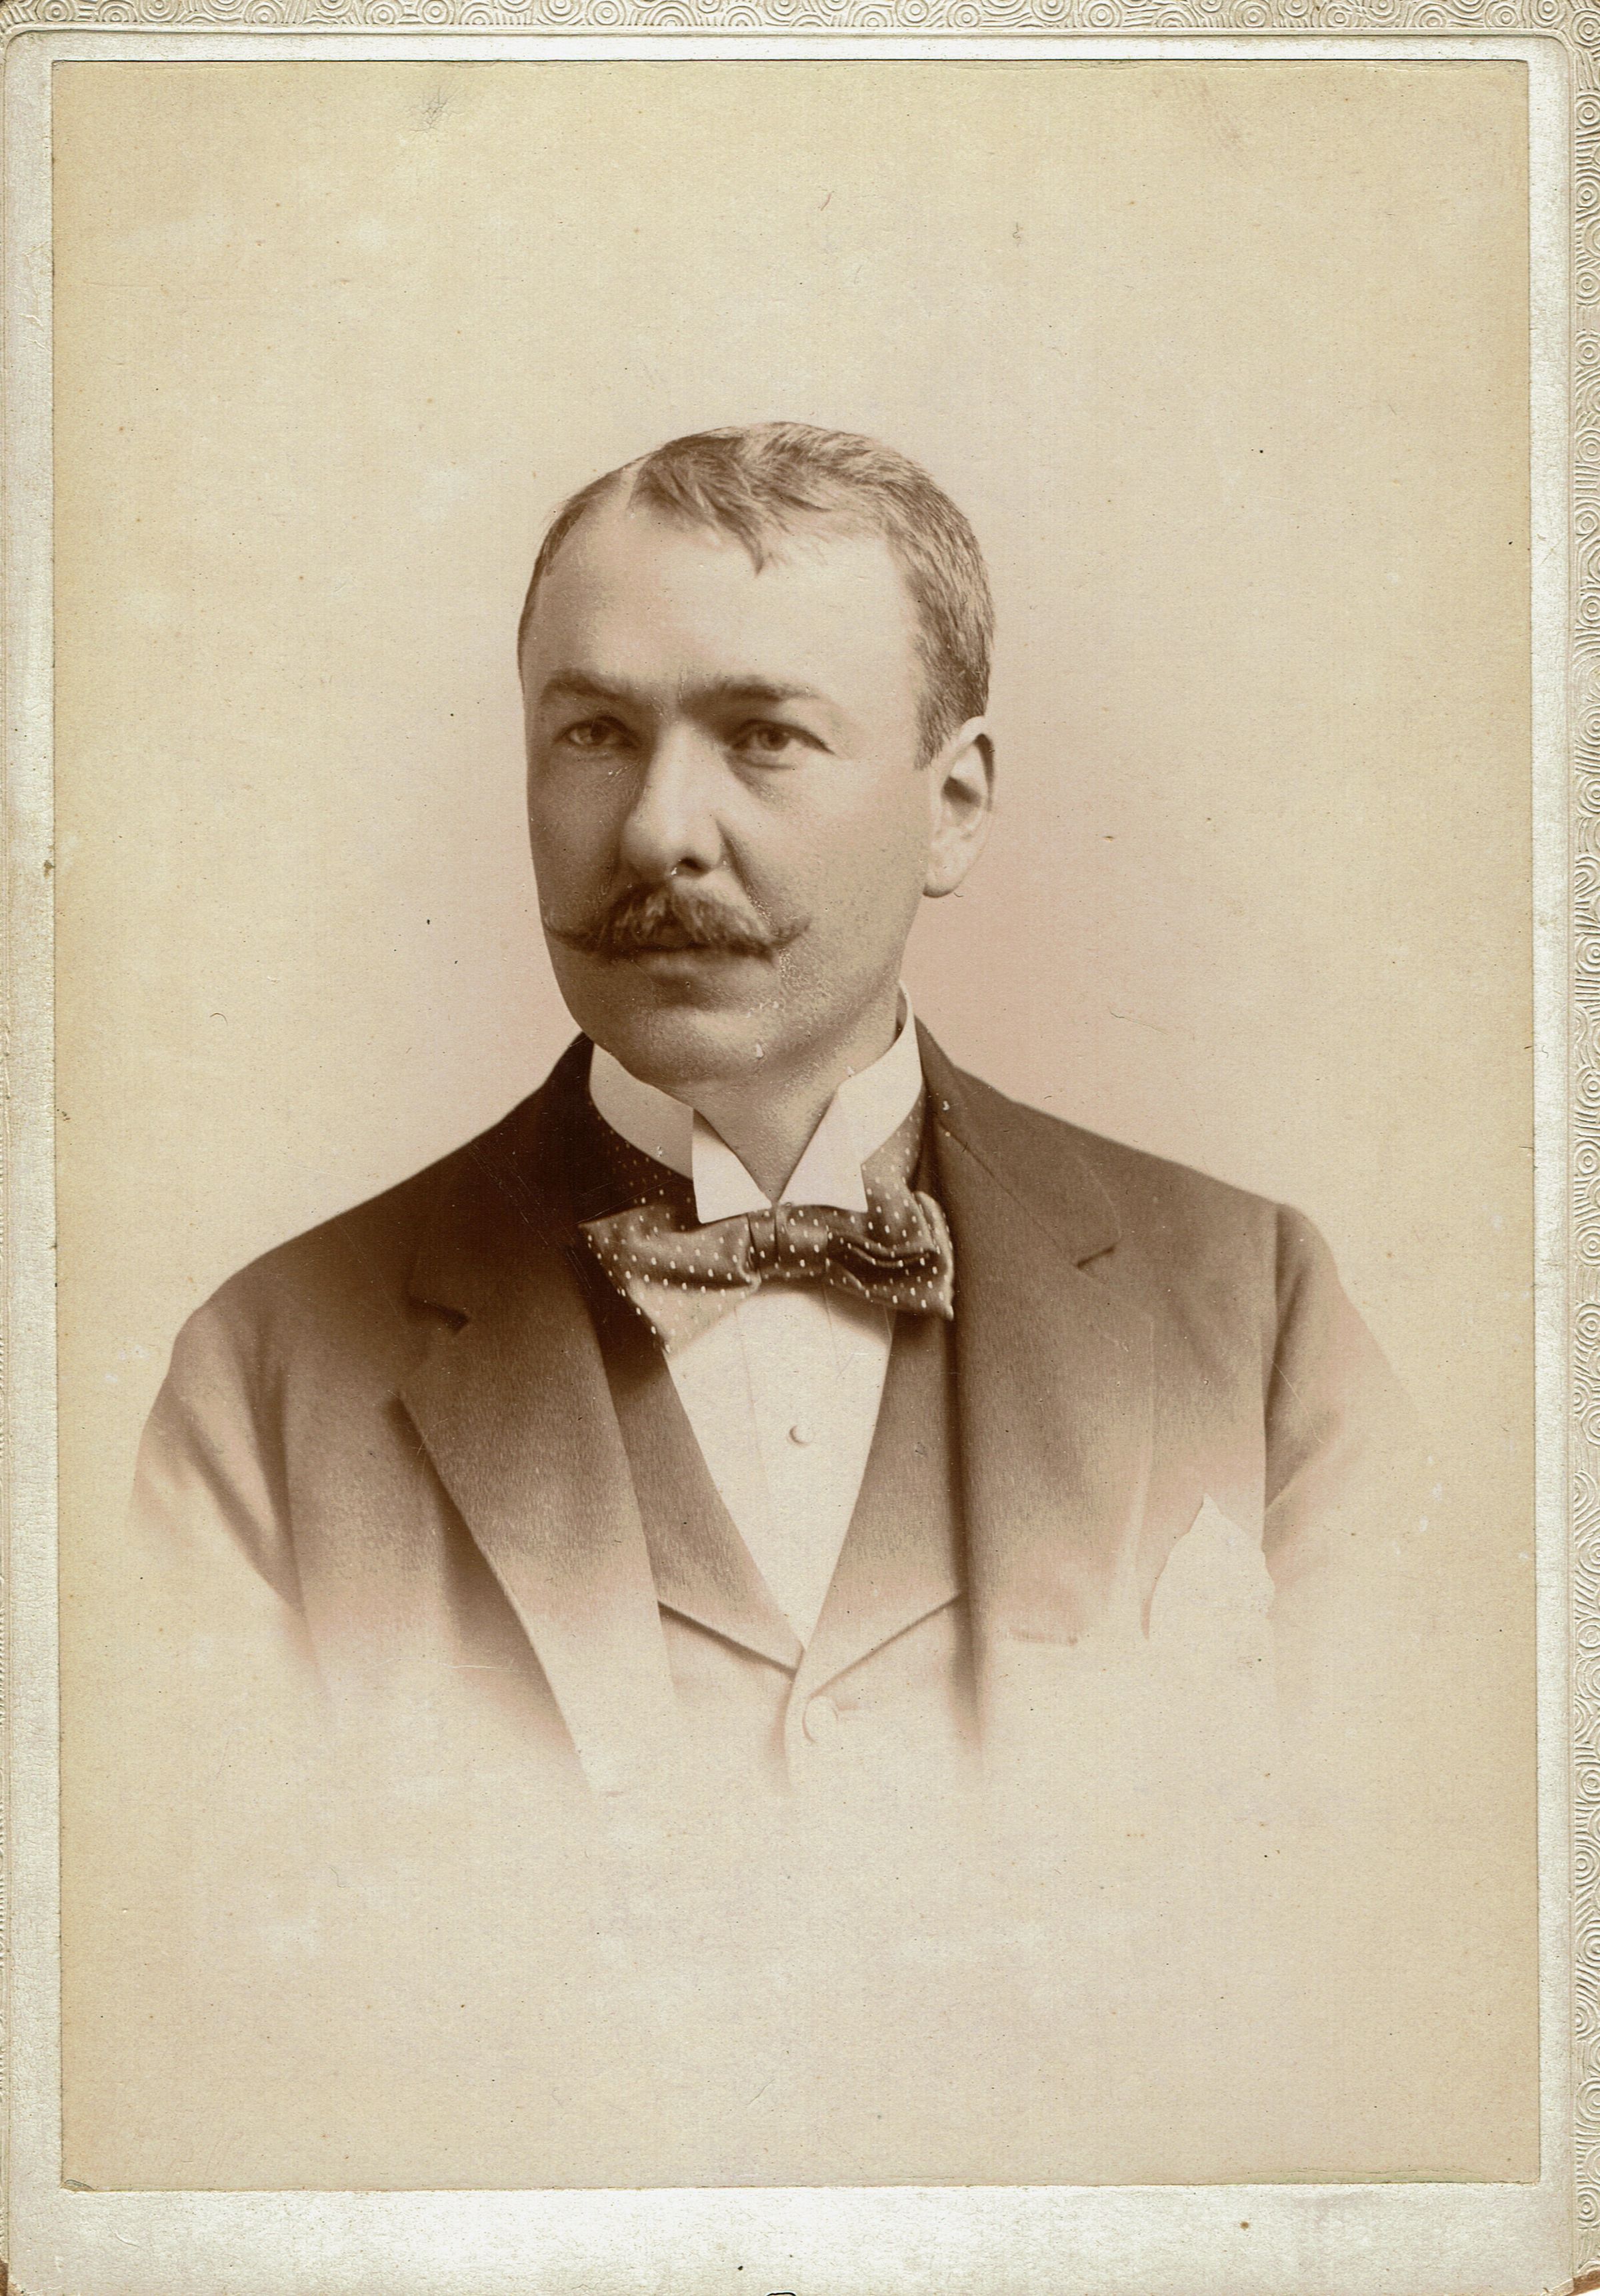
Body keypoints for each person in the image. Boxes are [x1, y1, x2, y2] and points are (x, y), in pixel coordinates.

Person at [130, 421, 1424, 1816]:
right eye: (594, 734)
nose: (657, 831)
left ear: (955, 808)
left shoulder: (1259, 1317)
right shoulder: (264, 1378)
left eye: (765, 737)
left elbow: (1376, 1872)